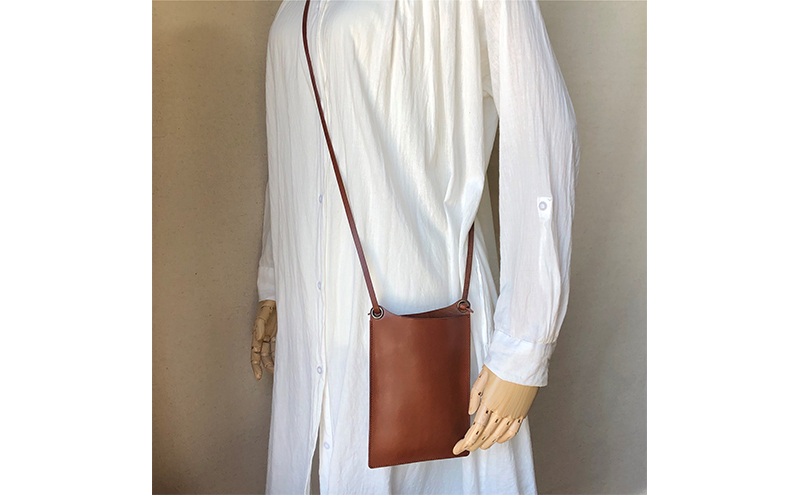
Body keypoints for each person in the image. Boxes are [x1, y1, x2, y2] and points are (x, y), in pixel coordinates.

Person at [250, 1, 580, 493]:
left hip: (423, 316)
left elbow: (542, 134)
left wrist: (527, 342)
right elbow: (297, 143)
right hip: (310, 319)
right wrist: (278, 275)